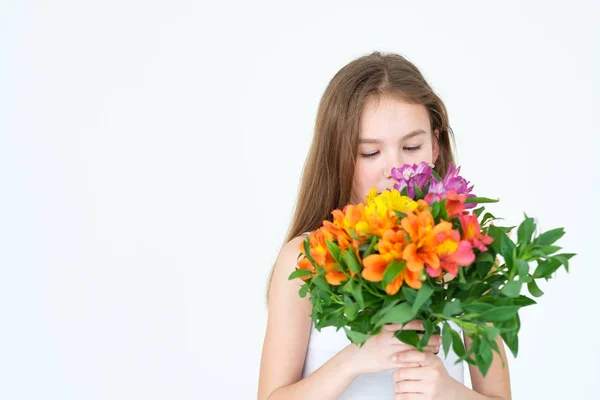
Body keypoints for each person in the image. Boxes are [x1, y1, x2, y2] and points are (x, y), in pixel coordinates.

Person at [257, 51, 512, 400]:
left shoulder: (468, 254)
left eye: (411, 146)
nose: (395, 171)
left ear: (435, 146)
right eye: (369, 153)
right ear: (339, 156)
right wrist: (352, 359)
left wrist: (449, 391)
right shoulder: (306, 256)